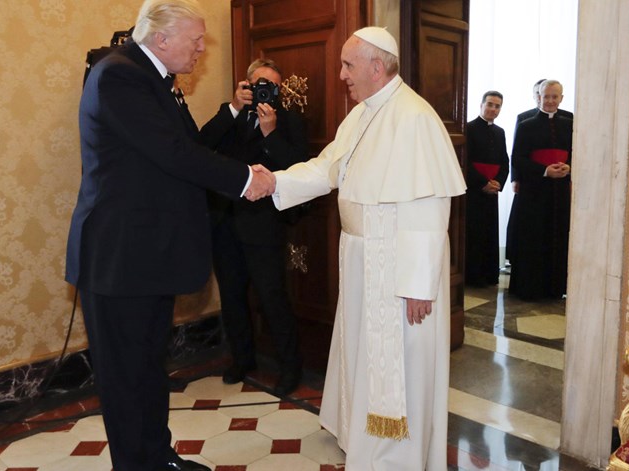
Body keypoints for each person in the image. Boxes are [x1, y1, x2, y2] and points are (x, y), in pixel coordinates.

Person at [64, 1, 274, 470]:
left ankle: (157, 458)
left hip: (145, 258)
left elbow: (189, 147)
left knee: (148, 371)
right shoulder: (119, 74)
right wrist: (244, 179)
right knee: (126, 380)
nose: (203, 48)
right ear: (162, 39)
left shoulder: (154, 78)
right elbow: (172, 152)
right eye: (196, 39)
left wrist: (241, 163)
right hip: (119, 258)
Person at [258, 26, 466, 469]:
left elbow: (430, 207)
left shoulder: (414, 116)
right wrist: (275, 181)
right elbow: (326, 167)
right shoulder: (362, 113)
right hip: (360, 258)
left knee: (397, 364)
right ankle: (361, 437)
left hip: (396, 267)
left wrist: (417, 285)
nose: (340, 75)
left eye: (348, 65)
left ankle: (395, 457)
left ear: (377, 66)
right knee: (360, 352)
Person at [198, 58, 308, 396]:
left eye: (272, 86)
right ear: (245, 84)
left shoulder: (288, 122)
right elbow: (199, 146)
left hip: (263, 227)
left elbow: (299, 168)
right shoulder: (228, 114)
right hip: (224, 223)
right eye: (259, 83)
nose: (264, 91)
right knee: (231, 297)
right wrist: (233, 108)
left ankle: (291, 368)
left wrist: (270, 133)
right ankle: (242, 359)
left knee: (272, 298)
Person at [507, 79, 572, 300]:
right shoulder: (526, 125)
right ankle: (530, 288)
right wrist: (545, 171)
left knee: (558, 236)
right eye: (547, 97)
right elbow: (517, 158)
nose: (551, 101)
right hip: (534, 192)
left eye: (555, 97)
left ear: (561, 98)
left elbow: (577, 152)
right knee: (533, 238)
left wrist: (568, 167)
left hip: (561, 191)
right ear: (538, 97)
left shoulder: (571, 123)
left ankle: (555, 288)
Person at [465, 91, 509, 287]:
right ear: (481, 105)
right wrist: (482, 183)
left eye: (497, 106)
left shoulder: (500, 132)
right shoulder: (468, 128)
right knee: (474, 233)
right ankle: (473, 276)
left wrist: (499, 182)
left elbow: (504, 162)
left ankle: (489, 275)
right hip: (474, 191)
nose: (493, 109)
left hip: (492, 191)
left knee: (490, 232)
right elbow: (465, 161)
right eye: (490, 104)